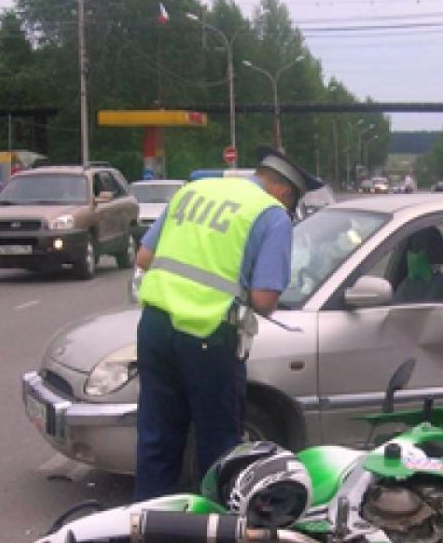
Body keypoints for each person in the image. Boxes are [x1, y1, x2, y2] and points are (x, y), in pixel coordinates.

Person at [131, 146, 322, 501]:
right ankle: (213, 540)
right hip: (208, 337)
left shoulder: (193, 190)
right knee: (219, 447)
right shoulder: (271, 214)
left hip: (154, 328)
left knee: (156, 437)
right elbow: (265, 300)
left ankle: (147, 532)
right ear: (285, 191)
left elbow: (144, 257)